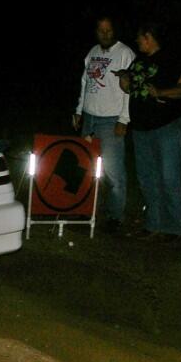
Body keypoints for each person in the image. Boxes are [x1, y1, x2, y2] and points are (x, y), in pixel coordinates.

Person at [118, 22, 181, 242]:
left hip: (167, 127)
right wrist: (124, 79)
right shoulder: (139, 62)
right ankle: (153, 224)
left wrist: (161, 91)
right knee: (147, 178)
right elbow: (130, 88)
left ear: (149, 37)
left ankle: (174, 229)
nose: (137, 41)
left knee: (169, 177)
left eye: (140, 37)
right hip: (141, 129)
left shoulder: (171, 59)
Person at [73, 16, 135, 233]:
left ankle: (114, 218)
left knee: (114, 172)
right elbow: (85, 83)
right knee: (88, 168)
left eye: (109, 30)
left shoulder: (125, 53)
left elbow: (130, 90)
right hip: (89, 117)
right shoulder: (92, 52)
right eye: (101, 31)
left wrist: (124, 119)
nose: (105, 34)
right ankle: (86, 212)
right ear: (96, 32)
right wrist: (79, 110)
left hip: (111, 120)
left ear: (115, 31)